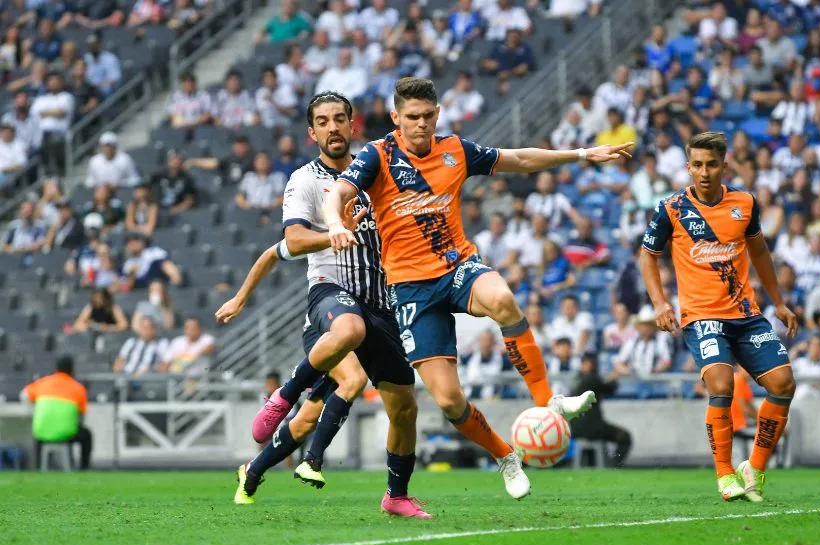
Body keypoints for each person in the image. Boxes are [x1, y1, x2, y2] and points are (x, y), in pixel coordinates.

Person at [324, 77, 630, 499]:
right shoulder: (377, 156)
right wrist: (337, 221)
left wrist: (581, 154)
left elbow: (520, 159)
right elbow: (338, 191)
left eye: (429, 116)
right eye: (412, 117)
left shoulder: (454, 150)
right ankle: (506, 457)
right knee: (449, 402)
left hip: (457, 266)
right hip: (411, 288)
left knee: (503, 299)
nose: (422, 124)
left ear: (438, 114)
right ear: (396, 118)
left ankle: (548, 401)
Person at [216, 92, 429, 518]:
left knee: (403, 408)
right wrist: (333, 233)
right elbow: (291, 243)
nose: (333, 127)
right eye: (323, 121)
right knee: (349, 346)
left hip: (380, 305)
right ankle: (289, 405)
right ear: (312, 132)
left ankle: (394, 494)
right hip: (330, 299)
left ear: (353, 126)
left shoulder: (375, 172)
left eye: (339, 119)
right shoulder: (305, 180)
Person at [640, 131, 798, 502]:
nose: (704, 172)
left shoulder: (745, 202)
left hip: (746, 315)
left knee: (783, 385)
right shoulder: (672, 208)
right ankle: (725, 474)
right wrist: (660, 303)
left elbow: (759, 252)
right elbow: (647, 255)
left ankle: (754, 469)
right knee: (722, 387)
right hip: (702, 316)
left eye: (712, 164)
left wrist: (779, 301)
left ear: (724, 165)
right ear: (688, 167)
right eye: (697, 165)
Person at [22, 356, 92, 470]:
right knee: (87, 435)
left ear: (56, 368)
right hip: (67, 433)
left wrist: (33, 411)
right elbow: (82, 416)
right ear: (72, 369)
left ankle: (39, 468)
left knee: (39, 434)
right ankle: (84, 468)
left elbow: (24, 394)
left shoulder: (42, 382)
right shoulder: (78, 388)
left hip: (42, 431)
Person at [569, 352, 632, 468]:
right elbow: (609, 389)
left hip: (575, 429)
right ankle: (614, 466)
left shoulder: (576, 381)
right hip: (592, 428)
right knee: (625, 436)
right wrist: (613, 378)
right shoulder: (591, 379)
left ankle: (593, 464)